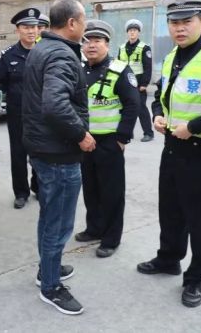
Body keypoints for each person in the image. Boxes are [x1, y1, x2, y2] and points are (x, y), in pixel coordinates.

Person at [136, 0, 201, 308]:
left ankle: (196, 278)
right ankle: (169, 259)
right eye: (174, 22)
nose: (180, 28)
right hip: (172, 148)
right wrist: (156, 115)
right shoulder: (169, 58)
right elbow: (158, 96)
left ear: (200, 21)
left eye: (186, 21)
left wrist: (193, 126)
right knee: (171, 210)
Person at [23, 0, 93, 315]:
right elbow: (54, 104)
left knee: (49, 215)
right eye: (84, 20)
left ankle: (46, 270)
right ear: (72, 23)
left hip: (44, 148)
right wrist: (81, 135)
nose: (86, 26)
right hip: (59, 153)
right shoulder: (62, 54)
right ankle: (51, 286)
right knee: (59, 222)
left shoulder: (42, 47)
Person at [74, 20, 139, 257]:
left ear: (107, 44)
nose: (91, 45)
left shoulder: (120, 69)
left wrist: (122, 139)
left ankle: (111, 238)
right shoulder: (80, 71)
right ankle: (94, 228)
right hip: (85, 141)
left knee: (111, 192)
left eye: (97, 41)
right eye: (87, 40)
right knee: (91, 189)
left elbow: (133, 105)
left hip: (110, 142)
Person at [0, 7, 41, 209]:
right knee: (19, 154)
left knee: (40, 152)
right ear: (17, 30)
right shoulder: (8, 55)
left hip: (42, 114)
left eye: (35, 27)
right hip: (17, 115)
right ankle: (20, 192)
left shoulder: (46, 52)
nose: (31, 31)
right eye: (26, 27)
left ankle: (38, 187)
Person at [118, 19, 154, 142]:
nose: (132, 33)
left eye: (135, 31)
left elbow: (148, 66)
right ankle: (128, 132)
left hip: (138, 82)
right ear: (127, 33)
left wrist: (144, 83)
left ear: (138, 33)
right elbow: (117, 65)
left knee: (141, 108)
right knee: (124, 108)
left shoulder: (144, 47)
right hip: (124, 81)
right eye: (130, 31)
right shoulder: (122, 48)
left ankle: (148, 133)